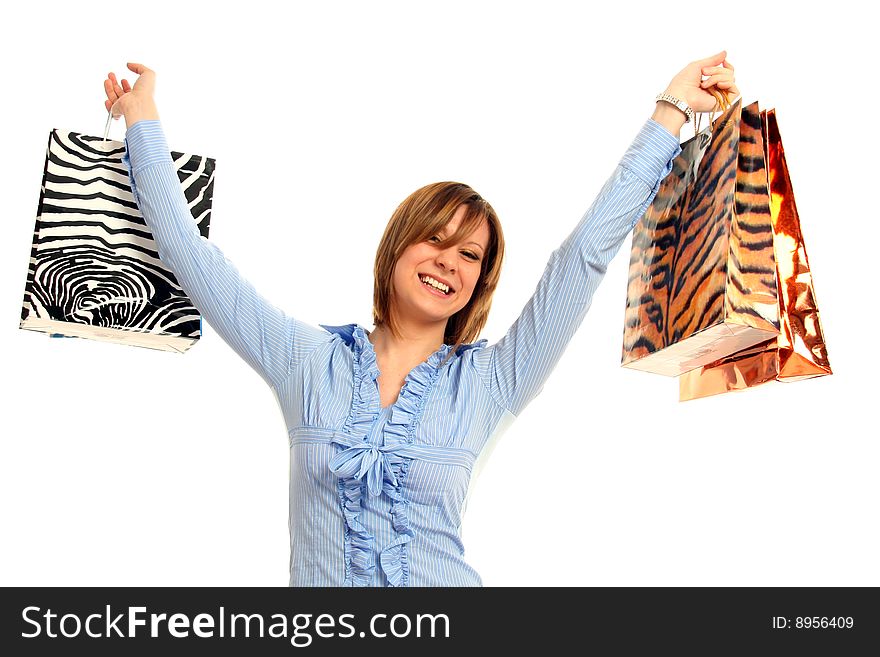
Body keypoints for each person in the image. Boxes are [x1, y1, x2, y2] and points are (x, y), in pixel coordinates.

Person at [103, 52, 738, 587]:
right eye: (436, 240)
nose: (449, 263)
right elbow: (194, 260)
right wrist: (143, 124)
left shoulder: (493, 380)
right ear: (400, 245)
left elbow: (582, 259)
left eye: (470, 255)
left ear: (478, 281)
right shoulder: (305, 359)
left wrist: (670, 111)